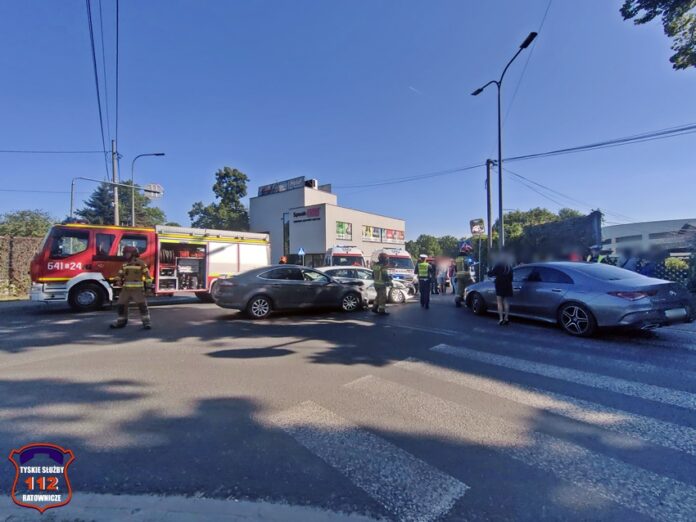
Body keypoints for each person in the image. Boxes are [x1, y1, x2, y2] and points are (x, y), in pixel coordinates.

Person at [110, 246, 153, 329]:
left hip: (138, 290)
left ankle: (146, 323)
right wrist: (118, 280)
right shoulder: (125, 264)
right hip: (126, 290)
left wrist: (148, 288)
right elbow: (119, 274)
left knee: (142, 306)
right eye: (125, 253)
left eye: (127, 253)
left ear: (133, 254)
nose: (125, 255)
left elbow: (148, 276)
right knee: (121, 305)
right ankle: (121, 322)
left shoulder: (141, 263)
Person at [487, 254, 513, 325]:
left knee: (499, 302)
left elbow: (491, 274)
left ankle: (501, 319)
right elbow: (511, 278)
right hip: (508, 285)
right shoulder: (509, 267)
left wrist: (488, 271)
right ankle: (506, 318)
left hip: (499, 285)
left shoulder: (498, 265)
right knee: (506, 302)